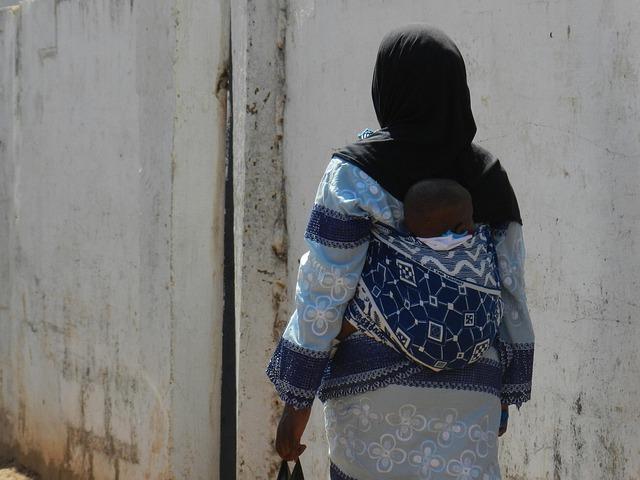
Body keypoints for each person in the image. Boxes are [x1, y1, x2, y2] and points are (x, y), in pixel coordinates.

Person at [267, 25, 534, 479]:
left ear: (387, 86)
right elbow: (509, 291)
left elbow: (325, 289)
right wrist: (504, 392)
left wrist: (297, 402)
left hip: (373, 398)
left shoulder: (354, 174)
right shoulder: (488, 178)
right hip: (472, 389)